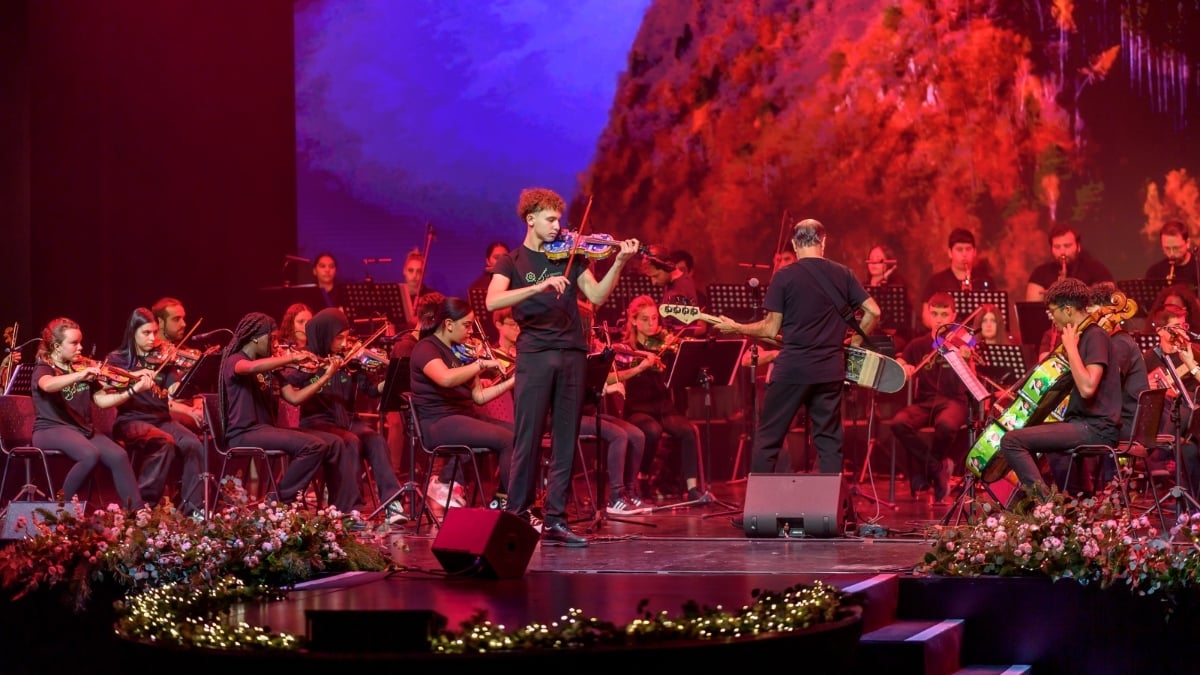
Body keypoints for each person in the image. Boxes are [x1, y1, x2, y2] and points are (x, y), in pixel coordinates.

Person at [487, 186, 639, 547]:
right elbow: (494, 301)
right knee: (527, 438)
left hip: (572, 354)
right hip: (535, 356)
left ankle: (555, 518)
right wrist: (536, 290)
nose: (558, 226)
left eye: (559, 219)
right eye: (551, 219)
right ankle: (518, 514)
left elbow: (598, 296)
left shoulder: (570, 257)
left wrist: (618, 262)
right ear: (531, 220)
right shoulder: (511, 262)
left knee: (566, 440)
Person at [714, 218, 881, 479]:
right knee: (829, 444)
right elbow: (873, 311)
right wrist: (855, 343)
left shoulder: (784, 277)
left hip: (793, 370)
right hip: (830, 370)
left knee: (769, 439)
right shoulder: (844, 274)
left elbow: (770, 330)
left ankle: (760, 513)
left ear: (794, 244)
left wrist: (737, 327)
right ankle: (828, 513)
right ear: (823, 242)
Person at [278, 307, 408, 525]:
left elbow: (370, 389)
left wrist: (391, 380)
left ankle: (392, 502)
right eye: (339, 339)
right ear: (325, 335)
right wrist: (315, 369)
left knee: (375, 440)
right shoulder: (306, 360)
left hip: (348, 420)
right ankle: (349, 510)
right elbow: (289, 384)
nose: (344, 344)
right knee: (349, 441)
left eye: (346, 338)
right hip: (318, 423)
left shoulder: (351, 362)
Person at [218, 312, 351, 510]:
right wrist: (290, 359)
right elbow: (250, 368)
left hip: (265, 430)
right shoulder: (235, 360)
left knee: (333, 442)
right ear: (255, 338)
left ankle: (342, 509)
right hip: (243, 433)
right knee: (312, 446)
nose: (275, 344)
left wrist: (326, 376)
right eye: (271, 338)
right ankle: (279, 501)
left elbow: (294, 399)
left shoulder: (272, 366)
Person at [1000, 278, 1122, 494]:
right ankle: (1070, 505)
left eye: (1052, 311)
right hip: (1081, 423)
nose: (1051, 317)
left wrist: (1071, 349)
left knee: (1011, 441)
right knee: (1041, 439)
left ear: (1067, 310)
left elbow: (1087, 387)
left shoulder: (1095, 336)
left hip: (1096, 428)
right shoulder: (1081, 336)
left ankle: (1046, 507)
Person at [409, 295, 515, 515]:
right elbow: (446, 378)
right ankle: (512, 507)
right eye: (466, 326)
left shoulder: (463, 351)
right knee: (506, 440)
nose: (470, 331)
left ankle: (503, 498)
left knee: (519, 434)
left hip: (463, 417)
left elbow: (479, 397)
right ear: (448, 324)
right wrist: (480, 364)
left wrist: (515, 378)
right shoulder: (426, 348)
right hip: (438, 423)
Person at [31, 317, 147, 509]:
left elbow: (102, 401)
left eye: (80, 342)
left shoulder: (82, 367)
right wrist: (79, 376)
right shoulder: (44, 368)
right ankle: (58, 509)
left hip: (80, 429)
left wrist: (133, 390)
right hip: (50, 429)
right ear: (57, 346)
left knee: (118, 455)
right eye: (74, 343)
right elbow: (48, 385)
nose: (80, 347)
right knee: (89, 454)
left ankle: (137, 513)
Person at [106, 308, 205, 513]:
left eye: (154, 332)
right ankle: (142, 507)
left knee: (194, 445)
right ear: (133, 332)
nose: (153, 338)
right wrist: (136, 377)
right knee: (164, 442)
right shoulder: (117, 359)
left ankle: (192, 509)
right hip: (131, 420)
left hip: (161, 419)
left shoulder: (164, 359)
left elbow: (173, 390)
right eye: (146, 333)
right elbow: (111, 388)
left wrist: (188, 373)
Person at [608, 295, 699, 502]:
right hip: (638, 408)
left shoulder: (663, 344)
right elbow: (617, 376)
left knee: (687, 431)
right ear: (634, 321)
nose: (651, 324)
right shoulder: (626, 350)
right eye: (645, 319)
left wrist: (677, 350)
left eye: (654, 319)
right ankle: (643, 477)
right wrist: (641, 365)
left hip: (664, 407)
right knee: (651, 430)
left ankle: (691, 487)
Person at [890, 292, 971, 502]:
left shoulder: (962, 340)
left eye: (944, 314)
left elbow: (976, 358)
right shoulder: (918, 344)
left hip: (954, 401)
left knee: (945, 425)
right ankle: (937, 467)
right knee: (898, 423)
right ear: (928, 314)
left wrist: (967, 356)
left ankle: (927, 470)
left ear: (953, 315)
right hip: (925, 403)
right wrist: (903, 365)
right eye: (934, 314)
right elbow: (900, 359)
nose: (939, 319)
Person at [1024, 224, 1113, 302]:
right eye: (1057, 247)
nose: (1062, 252)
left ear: (1078, 247)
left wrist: (1076, 292)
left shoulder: (1095, 268)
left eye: (1067, 246)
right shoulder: (1040, 272)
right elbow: (1032, 308)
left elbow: (1110, 294)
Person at [922, 228, 994, 300]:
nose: (964, 254)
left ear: (974, 252)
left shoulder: (985, 280)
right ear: (950, 253)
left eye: (968, 249)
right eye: (959, 249)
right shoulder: (936, 282)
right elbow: (926, 310)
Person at [1145, 220, 1199, 289]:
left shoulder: (1197, 267)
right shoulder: (1154, 273)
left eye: (1176, 248)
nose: (1172, 254)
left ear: (1188, 243)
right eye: (1167, 248)